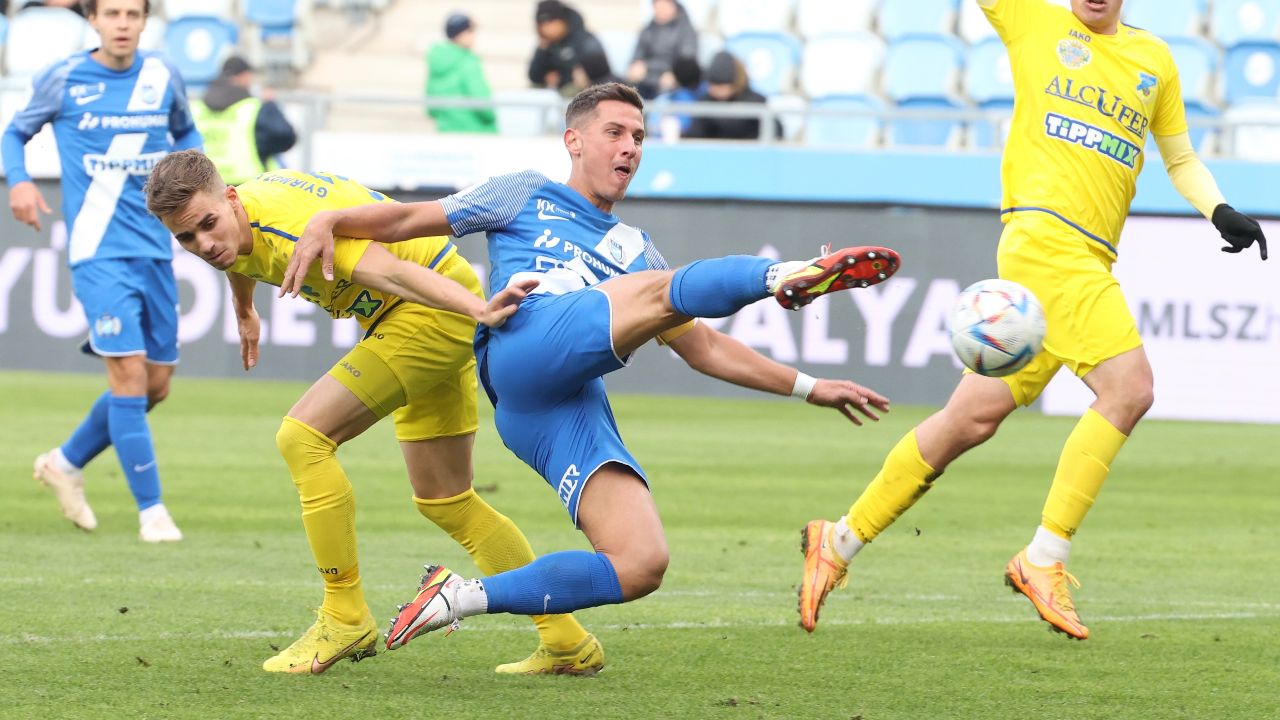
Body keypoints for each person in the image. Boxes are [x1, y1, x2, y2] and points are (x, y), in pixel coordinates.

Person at [278, 82, 901, 654]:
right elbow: (405, 220)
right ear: (573, 141)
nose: (630, 147)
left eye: (639, 137)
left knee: (640, 562)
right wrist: (331, 219)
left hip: (553, 406)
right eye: (615, 132)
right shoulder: (523, 192)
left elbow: (705, 349)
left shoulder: (637, 250)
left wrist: (810, 387)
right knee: (658, 289)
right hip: (521, 339)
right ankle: (783, 275)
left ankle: (457, 597)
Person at [797, 0, 1269, 640]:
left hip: (1083, 256)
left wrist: (1219, 210)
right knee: (1129, 389)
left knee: (969, 419)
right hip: (1046, 242)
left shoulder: (1155, 60)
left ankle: (839, 540)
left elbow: (1180, 158)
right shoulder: (1033, 20)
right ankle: (1044, 557)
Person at [143, 149, 606, 676]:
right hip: (433, 308)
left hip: (428, 308)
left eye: (207, 225)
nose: (204, 245)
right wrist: (245, 308)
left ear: (230, 199)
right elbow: (240, 250)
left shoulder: (291, 228)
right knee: (447, 500)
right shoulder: (237, 216)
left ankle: (344, 616)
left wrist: (479, 311)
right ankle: (566, 640)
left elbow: (395, 274)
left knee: (302, 438)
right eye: (186, 238)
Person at [3, 0, 201, 542]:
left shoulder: (162, 75)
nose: (122, 24)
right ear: (92, 19)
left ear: (145, 21)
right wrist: (19, 181)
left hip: (156, 249)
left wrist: (199, 188)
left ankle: (64, 462)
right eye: (112, 13)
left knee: (155, 386)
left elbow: (188, 136)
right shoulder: (64, 77)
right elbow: (14, 133)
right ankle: (153, 513)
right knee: (129, 375)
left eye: (132, 14)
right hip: (97, 252)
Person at [191, 55, 298, 185]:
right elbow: (285, 137)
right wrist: (270, 105)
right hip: (248, 187)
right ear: (243, 76)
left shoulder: (196, 107)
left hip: (208, 186)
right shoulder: (253, 107)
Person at [425, 12, 498, 134]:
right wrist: (492, 116)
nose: (474, 36)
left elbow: (431, 109)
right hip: (475, 134)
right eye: (470, 31)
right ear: (460, 34)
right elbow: (483, 104)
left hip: (446, 133)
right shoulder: (468, 62)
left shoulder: (436, 61)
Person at [684, 51, 780, 141]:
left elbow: (776, 133)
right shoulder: (705, 103)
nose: (714, 90)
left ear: (734, 83)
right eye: (712, 85)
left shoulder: (756, 103)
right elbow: (694, 136)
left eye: (720, 86)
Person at [627, 0, 698, 99]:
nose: (660, 10)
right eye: (657, 7)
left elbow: (687, 59)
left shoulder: (686, 30)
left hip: (672, 81)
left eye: (664, 6)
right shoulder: (647, 29)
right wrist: (635, 66)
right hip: (646, 78)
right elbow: (637, 54)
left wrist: (674, 75)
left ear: (673, 6)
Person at [527, 0, 605, 91]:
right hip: (559, 88)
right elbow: (534, 76)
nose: (547, 28)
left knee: (570, 90)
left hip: (591, 88)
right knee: (533, 88)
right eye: (542, 24)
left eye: (551, 22)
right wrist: (542, 49)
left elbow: (596, 69)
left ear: (562, 20)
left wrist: (560, 79)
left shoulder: (584, 39)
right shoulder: (548, 44)